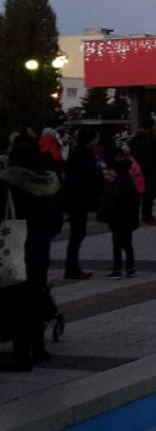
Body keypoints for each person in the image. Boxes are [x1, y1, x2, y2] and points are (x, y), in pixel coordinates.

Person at [0, 137, 61, 371]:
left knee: (15, 300)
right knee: (36, 294)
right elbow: (57, 222)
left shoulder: (8, 184)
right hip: (40, 247)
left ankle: (21, 355)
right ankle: (39, 348)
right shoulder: (50, 183)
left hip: (12, 246)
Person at [63, 127, 102, 279]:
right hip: (78, 201)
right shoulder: (83, 155)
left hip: (77, 200)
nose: (96, 142)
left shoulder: (78, 153)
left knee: (77, 234)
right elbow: (85, 178)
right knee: (77, 234)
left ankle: (72, 266)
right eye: (95, 139)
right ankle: (71, 267)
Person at [100, 157, 141, 279]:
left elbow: (110, 203)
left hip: (118, 219)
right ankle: (130, 268)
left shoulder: (115, 184)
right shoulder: (130, 182)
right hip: (129, 219)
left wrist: (106, 216)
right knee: (128, 244)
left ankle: (117, 269)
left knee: (117, 244)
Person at [129, 119, 156, 225]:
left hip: (138, 170)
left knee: (137, 195)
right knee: (149, 194)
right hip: (151, 170)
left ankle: (134, 217)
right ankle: (147, 216)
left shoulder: (135, 140)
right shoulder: (152, 140)